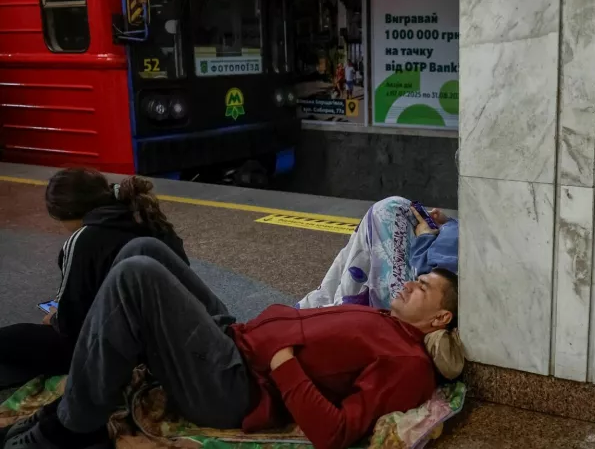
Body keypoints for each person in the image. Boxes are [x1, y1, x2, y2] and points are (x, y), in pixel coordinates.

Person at [2, 238, 458, 449]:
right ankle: (99, 382)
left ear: (440, 317)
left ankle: (70, 430)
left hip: (238, 385)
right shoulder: (384, 317)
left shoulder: (407, 362)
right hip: (237, 341)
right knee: (144, 249)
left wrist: (284, 366)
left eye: (423, 287)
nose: (409, 285)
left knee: (135, 277)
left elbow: (335, 432)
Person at [0, 168, 188, 389]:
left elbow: (71, 323)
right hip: (176, 338)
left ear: (63, 213)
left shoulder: (83, 240)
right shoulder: (147, 218)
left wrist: (54, 318)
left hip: (124, 349)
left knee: (11, 338)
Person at [298, 196, 458, 310]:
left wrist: (425, 238)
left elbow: (440, 275)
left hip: (423, 282)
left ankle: (339, 309)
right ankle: (331, 303)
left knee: (387, 210)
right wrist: (449, 223)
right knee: (392, 210)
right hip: (432, 243)